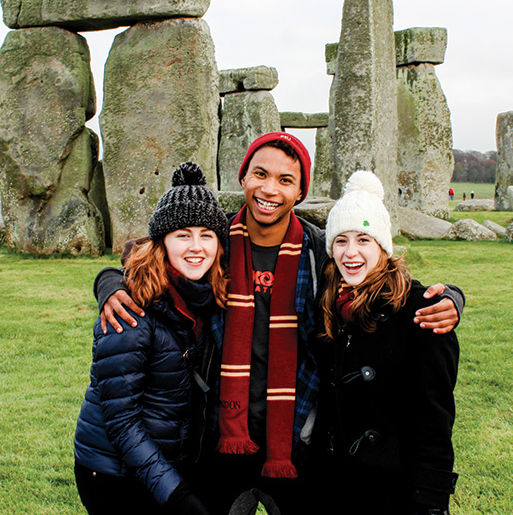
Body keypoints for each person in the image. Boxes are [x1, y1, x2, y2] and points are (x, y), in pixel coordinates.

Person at [96, 133, 464, 512]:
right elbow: (146, 254)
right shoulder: (213, 240)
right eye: (260, 174)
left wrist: (450, 297)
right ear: (243, 178)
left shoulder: (320, 249)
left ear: (301, 191)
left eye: (285, 180)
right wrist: (108, 283)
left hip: (297, 442)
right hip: (220, 438)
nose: (270, 189)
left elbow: (380, 276)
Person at [74, 162, 227, 515]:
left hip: (164, 462)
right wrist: (176, 494)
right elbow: (121, 422)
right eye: (182, 235)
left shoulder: (207, 294)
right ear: (161, 243)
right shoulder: (130, 313)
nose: (196, 246)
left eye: (207, 235)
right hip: (114, 472)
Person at [311, 170, 460, 515]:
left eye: (364, 240)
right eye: (341, 240)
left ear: (383, 246)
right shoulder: (326, 302)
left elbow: (436, 416)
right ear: (330, 248)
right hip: (333, 484)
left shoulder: (422, 310)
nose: (351, 253)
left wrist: (431, 500)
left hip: (396, 488)